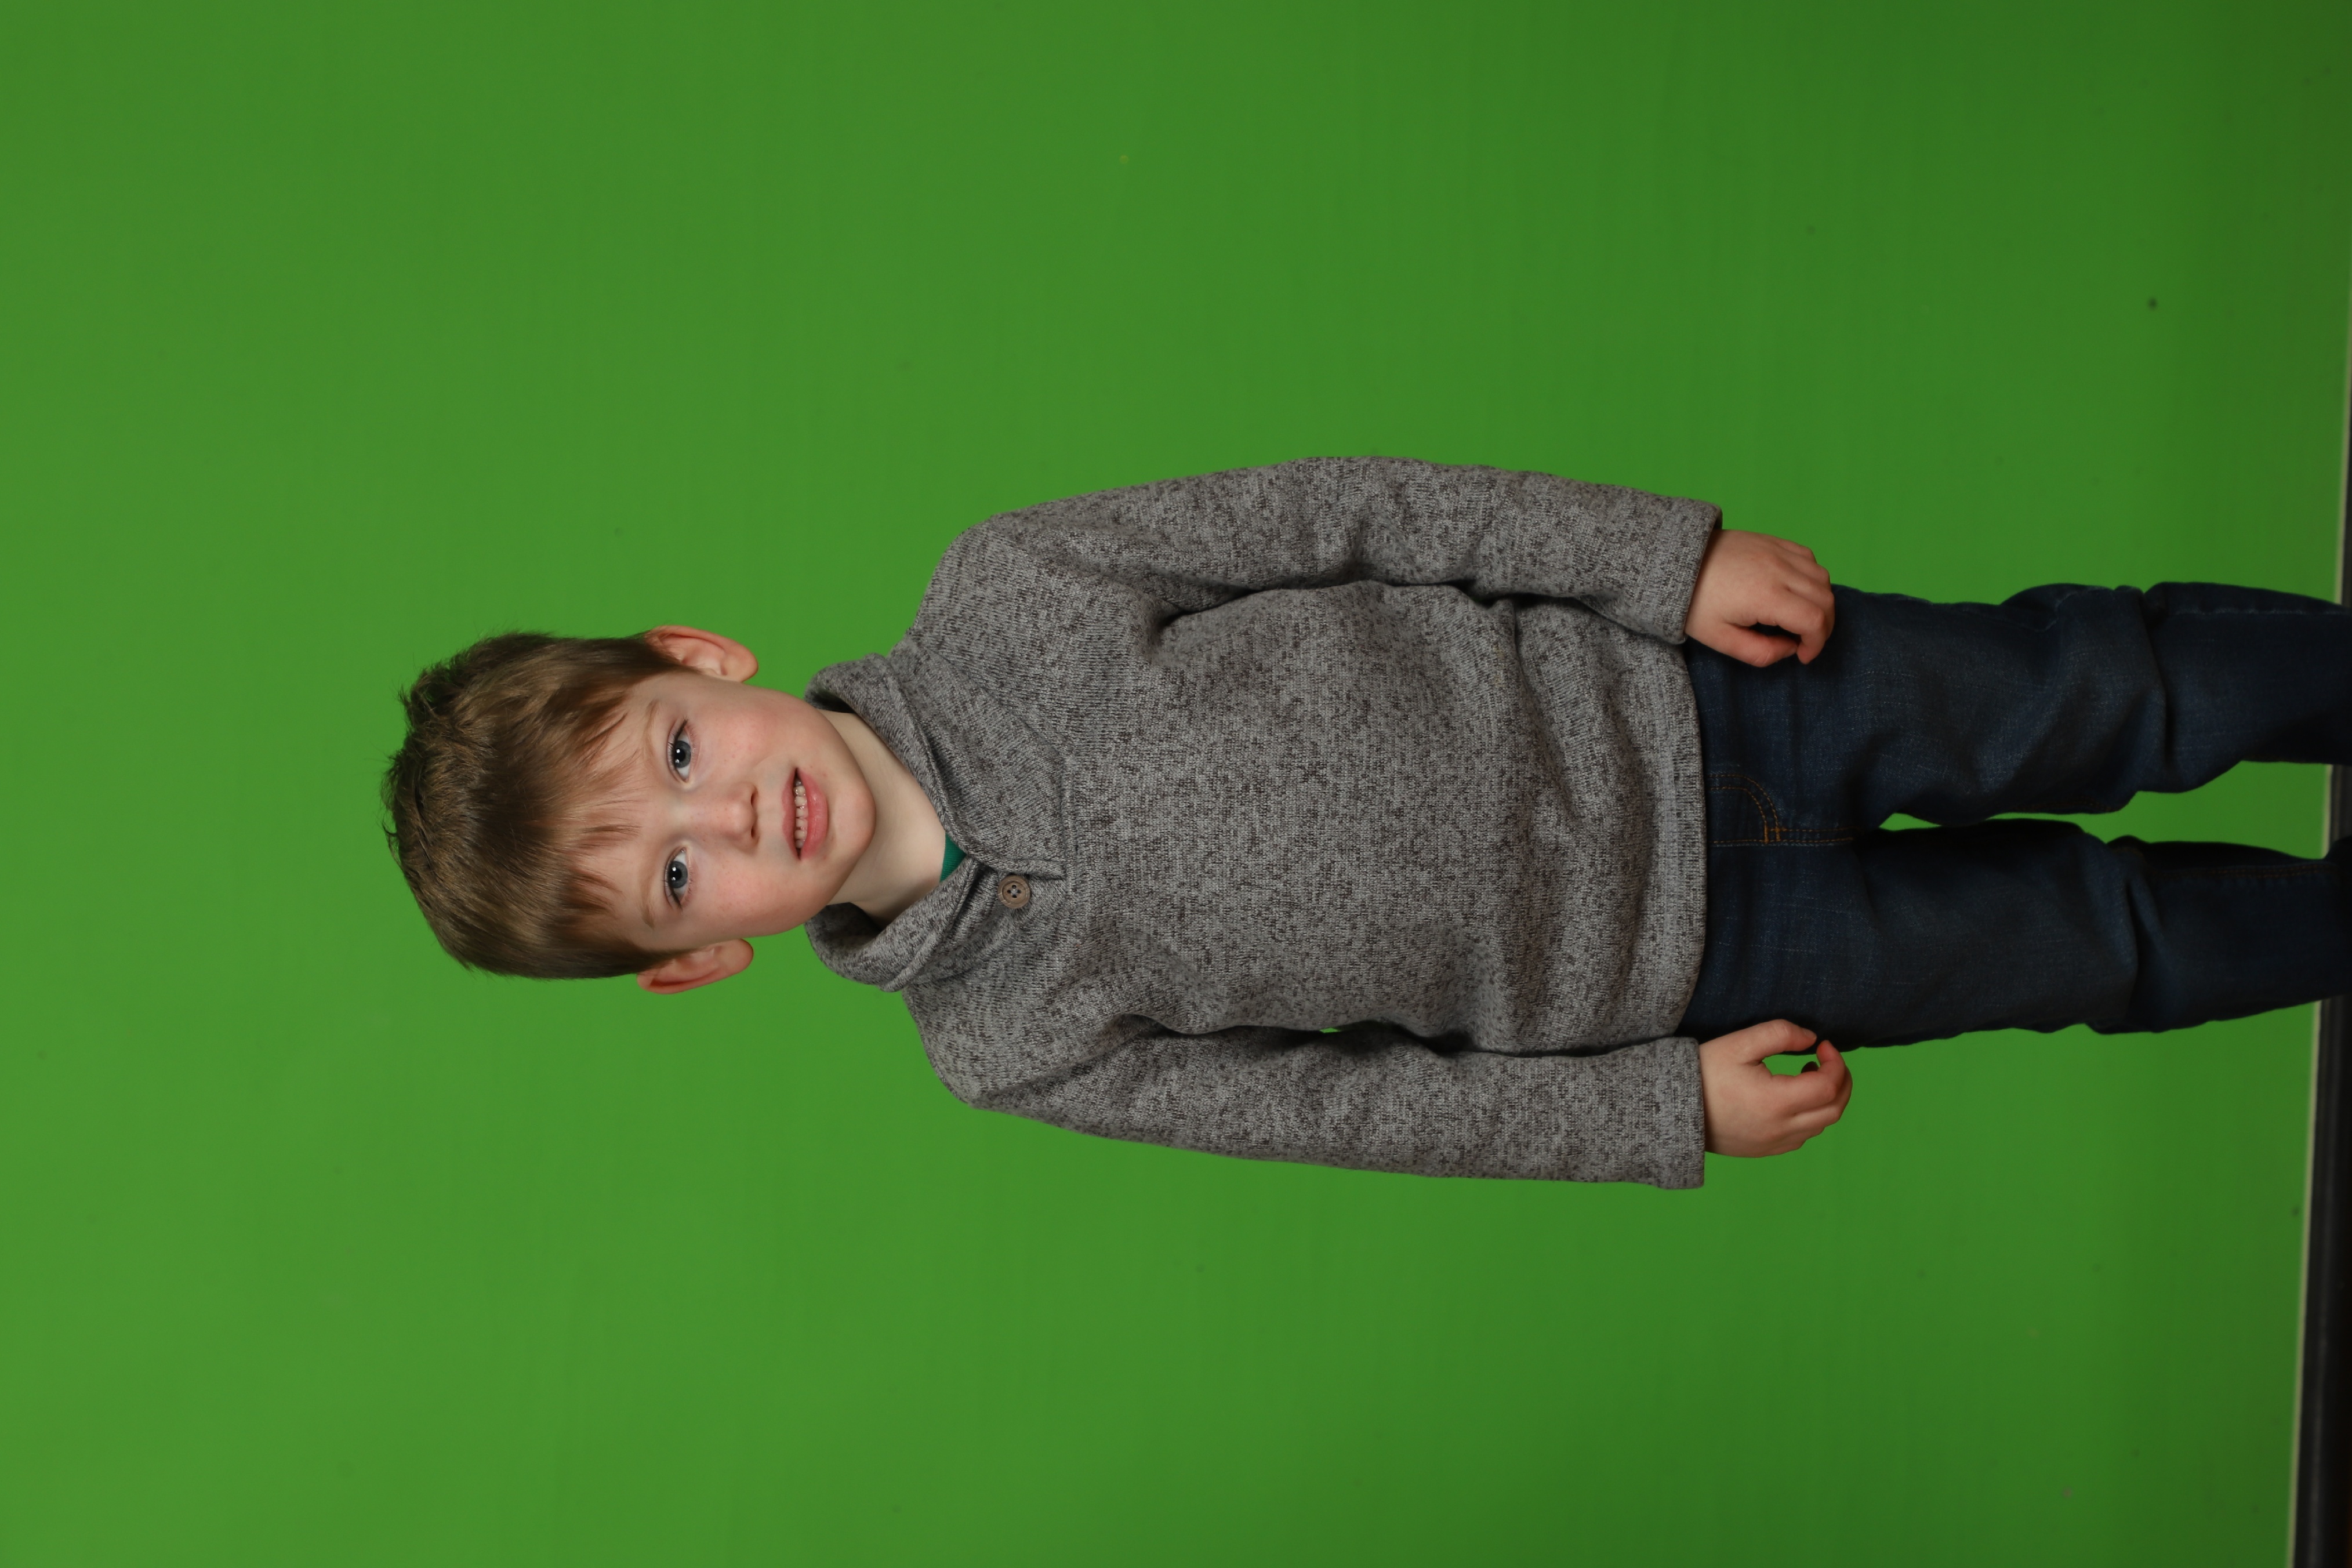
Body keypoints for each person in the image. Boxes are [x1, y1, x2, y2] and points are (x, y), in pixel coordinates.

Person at [382, 458, 2352, 1186]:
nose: (728, 809)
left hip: (1704, 691)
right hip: (1695, 968)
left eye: (674, 749)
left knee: (2106, 687)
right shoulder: (1006, 1044)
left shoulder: (1012, 591)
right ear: (699, 957)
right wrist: (1654, 1115)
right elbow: (1352, 1111)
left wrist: (1658, 563)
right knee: (2099, 943)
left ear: (697, 655)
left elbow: (1357, 514)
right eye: (677, 871)